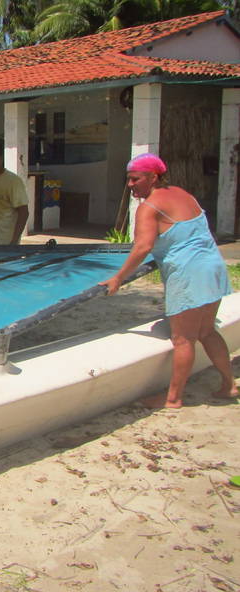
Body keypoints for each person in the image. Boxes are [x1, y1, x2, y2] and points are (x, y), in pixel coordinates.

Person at [100, 153, 236, 409]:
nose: (130, 185)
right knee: (207, 331)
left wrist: (118, 278)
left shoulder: (148, 208)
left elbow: (142, 247)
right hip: (212, 267)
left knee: (183, 339)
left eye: (135, 179)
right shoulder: (183, 194)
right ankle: (228, 385)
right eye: (128, 179)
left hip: (189, 274)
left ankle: (173, 398)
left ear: (153, 177)